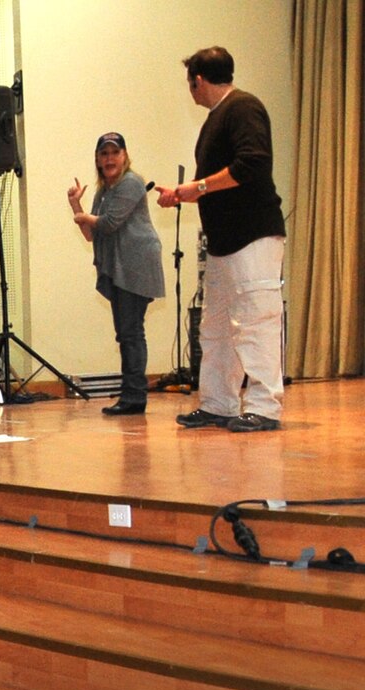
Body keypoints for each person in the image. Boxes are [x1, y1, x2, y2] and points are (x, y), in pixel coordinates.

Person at [158, 46, 287, 433]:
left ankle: (264, 407)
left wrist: (196, 187)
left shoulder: (243, 107)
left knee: (256, 322)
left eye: (190, 84)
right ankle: (218, 402)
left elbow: (252, 163)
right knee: (215, 328)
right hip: (223, 242)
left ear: (198, 80)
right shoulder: (217, 116)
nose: (191, 92)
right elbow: (214, 182)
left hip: (252, 236)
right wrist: (185, 192)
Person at [68, 133, 164, 415]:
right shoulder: (103, 191)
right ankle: (131, 395)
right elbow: (91, 234)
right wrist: (76, 205)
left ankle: (134, 397)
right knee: (126, 332)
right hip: (118, 264)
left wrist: (86, 217)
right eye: (104, 154)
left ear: (125, 156)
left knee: (131, 332)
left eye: (114, 153)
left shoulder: (131, 182)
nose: (109, 159)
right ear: (98, 160)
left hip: (135, 264)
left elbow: (108, 223)